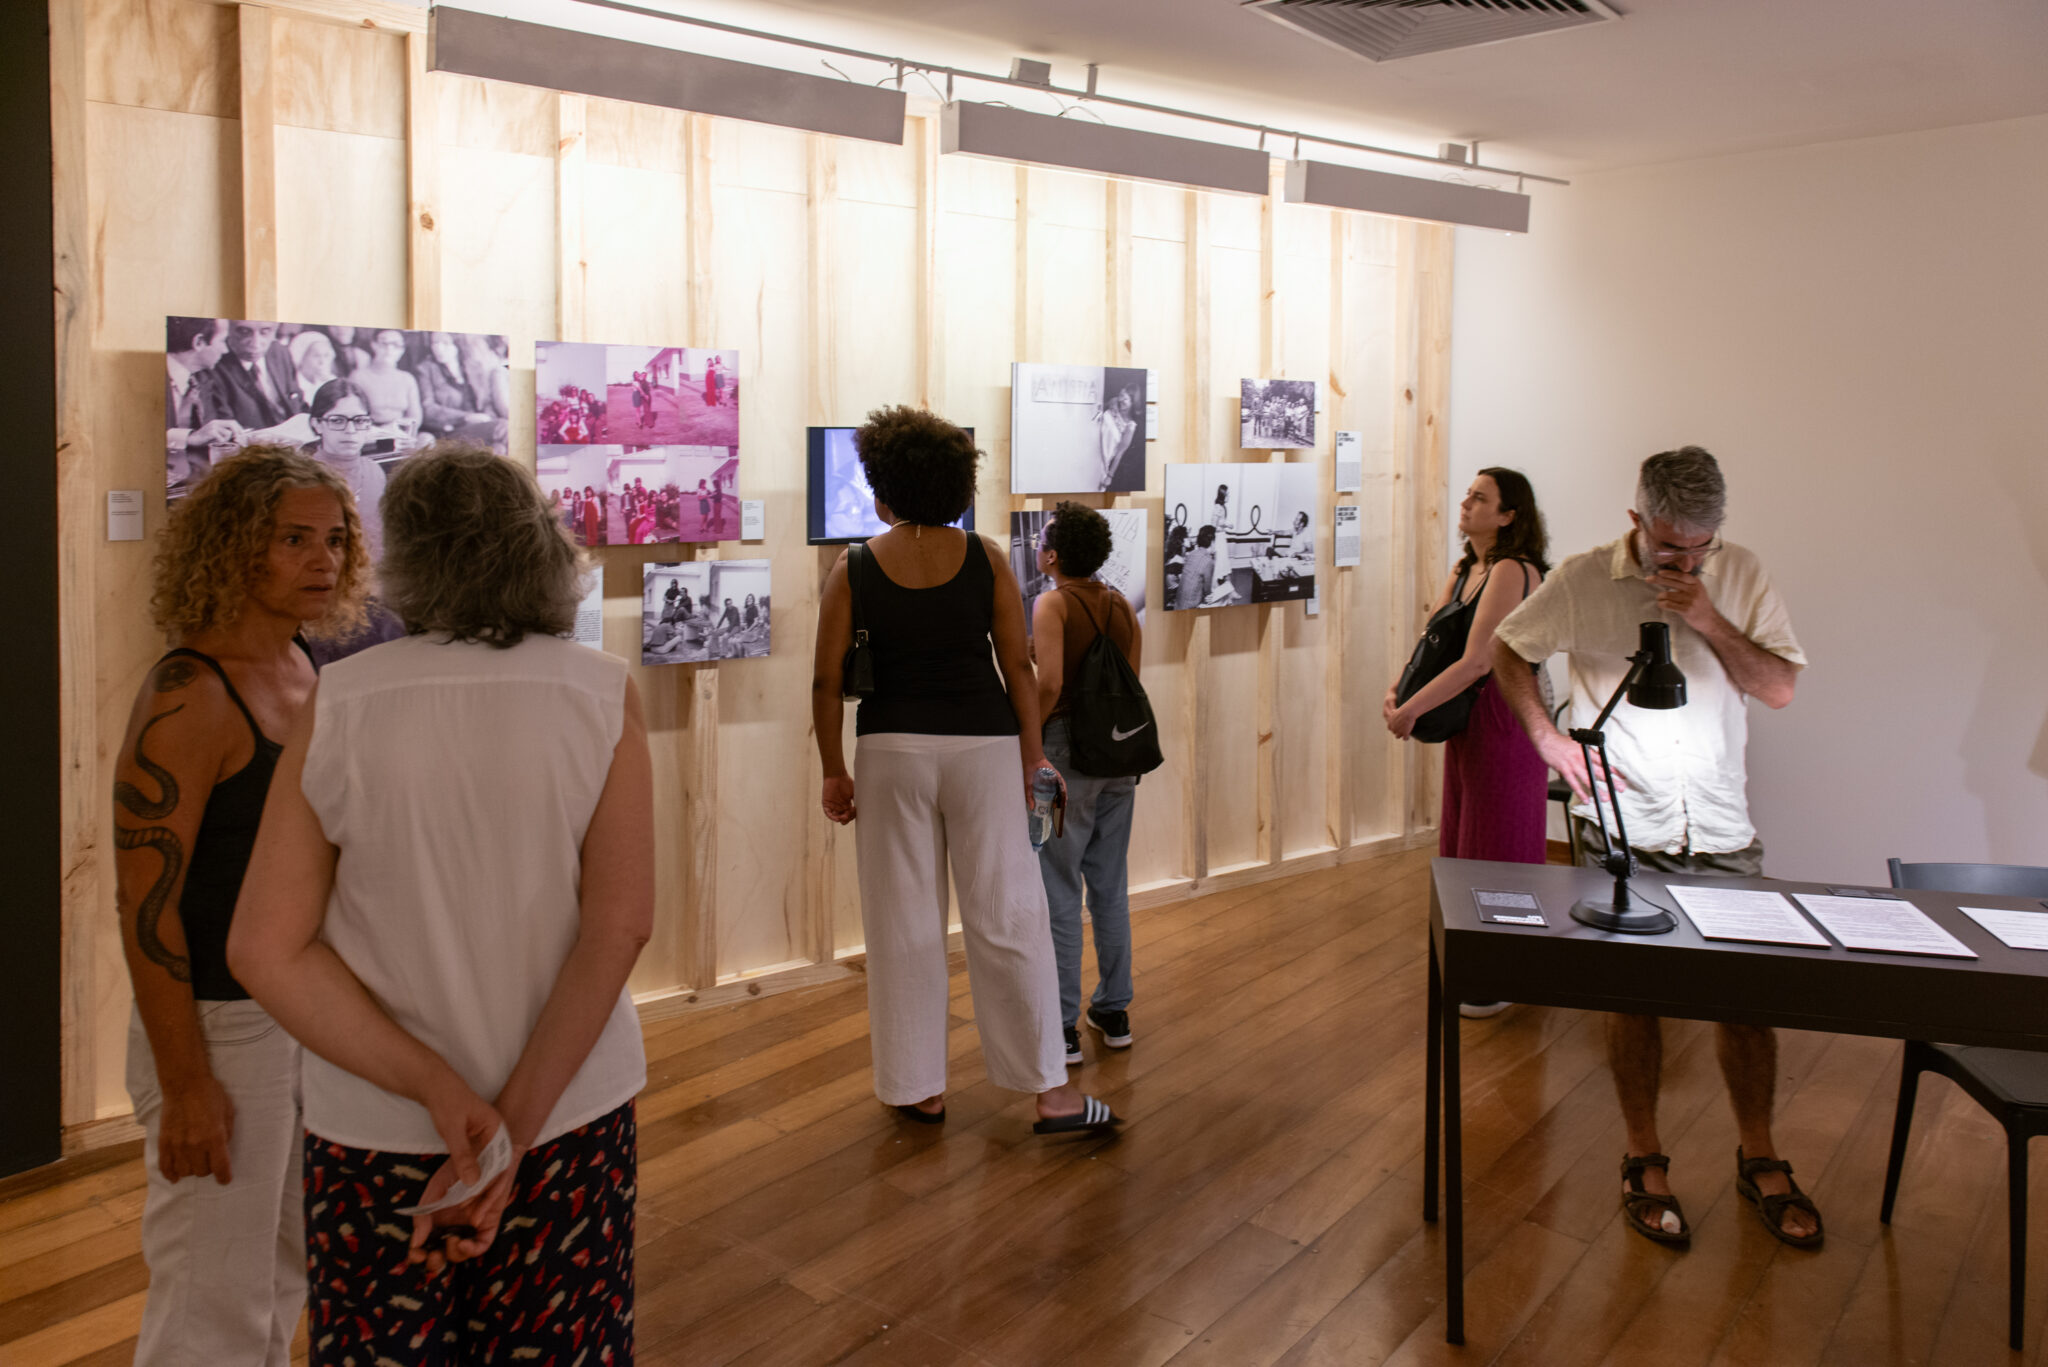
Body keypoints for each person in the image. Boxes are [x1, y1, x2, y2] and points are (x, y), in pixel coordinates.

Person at [229, 444, 652, 1366]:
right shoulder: (598, 691)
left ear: (407, 557)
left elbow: (265, 948)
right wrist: (511, 1131)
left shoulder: (341, 700)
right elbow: (619, 927)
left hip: (377, 1127)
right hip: (568, 1117)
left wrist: (438, 1090)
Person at [1491, 445, 1815, 1249]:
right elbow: (1508, 646)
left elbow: (1779, 688)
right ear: (1637, 520)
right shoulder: (1584, 578)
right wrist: (1547, 739)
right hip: (1623, 826)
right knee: (1632, 998)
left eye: (1702, 546)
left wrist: (1707, 616)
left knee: (1746, 1000)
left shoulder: (1740, 574)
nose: (1687, 561)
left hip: (1720, 825)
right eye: (1671, 547)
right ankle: (1644, 1154)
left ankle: (1760, 1152)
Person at [115, 447, 368, 1367]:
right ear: (234, 547)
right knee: (209, 1293)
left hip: (300, 1006)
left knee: (284, 1266)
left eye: (334, 540)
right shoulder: (189, 692)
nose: (322, 560)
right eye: (293, 539)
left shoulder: (303, 662)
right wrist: (186, 1081)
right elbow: (145, 904)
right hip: (218, 1022)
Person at [810, 405, 1117, 1135]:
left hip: (889, 751)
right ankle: (1050, 1094)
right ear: (956, 483)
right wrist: (1033, 756)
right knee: (1009, 913)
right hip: (984, 747)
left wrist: (833, 770)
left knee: (902, 922)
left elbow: (824, 682)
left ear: (883, 488)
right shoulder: (985, 556)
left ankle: (918, 1087)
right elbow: (1018, 666)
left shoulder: (853, 566)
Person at [1385, 468, 1551, 1019]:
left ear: (1508, 515)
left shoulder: (1511, 570)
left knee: (1499, 842)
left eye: (1480, 498)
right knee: (1464, 835)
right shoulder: (1466, 568)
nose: (1466, 503)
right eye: (1468, 495)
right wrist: (1398, 689)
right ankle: (1472, 957)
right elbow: (1432, 641)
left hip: (1503, 713)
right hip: (1469, 715)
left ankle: (1502, 970)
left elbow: (1479, 660)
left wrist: (1412, 707)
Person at [1030, 503, 1144, 1065]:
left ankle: (1063, 1026)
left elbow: (1050, 684)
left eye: (1042, 542)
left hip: (1063, 759)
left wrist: (1027, 736)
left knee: (1058, 888)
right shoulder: (1122, 605)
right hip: (1118, 758)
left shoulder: (1051, 604)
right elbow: (1132, 681)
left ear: (1052, 555)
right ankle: (1114, 1010)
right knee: (1109, 886)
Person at [302, 380, 388, 564]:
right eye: (337, 420)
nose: (350, 430)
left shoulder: (375, 472)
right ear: (317, 424)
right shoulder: (303, 478)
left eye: (359, 420)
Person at [214, 320, 306, 431]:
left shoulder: (280, 352)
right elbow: (225, 425)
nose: (255, 344)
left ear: (275, 331)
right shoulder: (215, 365)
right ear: (228, 330)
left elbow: (298, 400)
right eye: (244, 332)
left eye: (265, 332)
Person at [351, 329, 423, 438]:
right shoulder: (358, 377)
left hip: (400, 433)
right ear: (374, 345)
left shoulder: (407, 379)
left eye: (396, 345)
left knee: (426, 439)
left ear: (402, 350)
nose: (389, 349)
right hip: (369, 435)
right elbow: (353, 414)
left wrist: (399, 431)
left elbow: (415, 417)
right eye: (384, 343)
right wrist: (380, 431)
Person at [1092, 384, 1139, 491]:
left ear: (1132, 402)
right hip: (1089, 448)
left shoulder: (1130, 426)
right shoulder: (1114, 402)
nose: (1121, 400)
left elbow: (1119, 453)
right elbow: (1096, 411)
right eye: (1121, 395)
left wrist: (1109, 476)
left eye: (1125, 398)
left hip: (1101, 464)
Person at [1174, 525, 1218, 609]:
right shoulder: (1208, 561)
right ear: (1212, 542)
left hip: (1178, 604)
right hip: (1190, 607)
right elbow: (1207, 591)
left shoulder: (1192, 553)